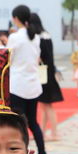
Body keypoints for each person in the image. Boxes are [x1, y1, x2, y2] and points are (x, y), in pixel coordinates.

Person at [7, 5, 48, 154]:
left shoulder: (15, 37)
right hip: (33, 85)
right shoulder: (35, 37)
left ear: (16, 18)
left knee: (19, 124)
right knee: (33, 122)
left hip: (18, 86)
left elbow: (7, 59)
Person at [31, 13, 63, 142]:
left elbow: (39, 57)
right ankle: (42, 132)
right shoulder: (46, 35)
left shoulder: (37, 38)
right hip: (47, 73)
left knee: (47, 106)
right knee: (44, 106)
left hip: (42, 74)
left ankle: (54, 133)